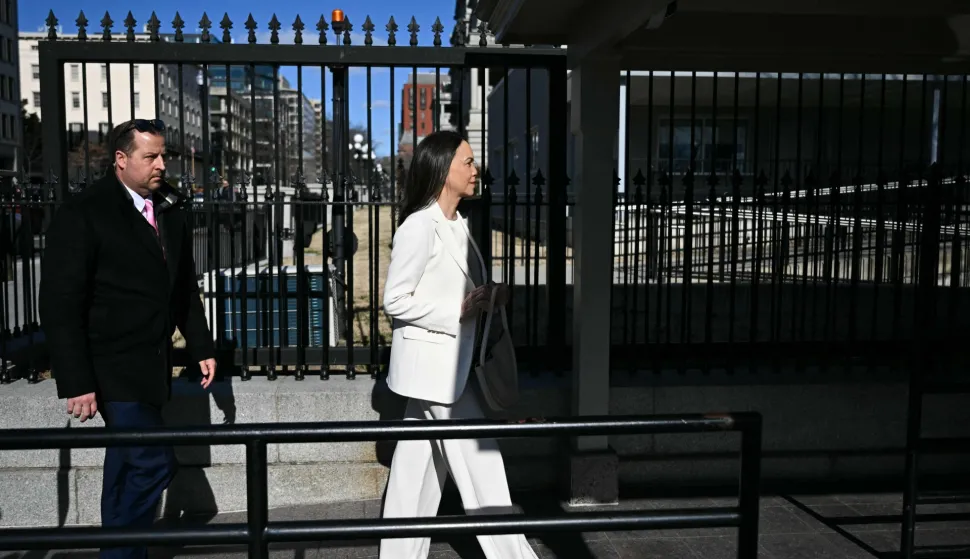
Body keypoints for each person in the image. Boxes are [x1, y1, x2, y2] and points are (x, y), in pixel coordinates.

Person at [38, 118, 217, 559]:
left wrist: (202, 348)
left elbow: (182, 289)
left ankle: (117, 550)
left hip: (152, 365)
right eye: (149, 156)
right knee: (154, 462)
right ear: (120, 160)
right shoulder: (85, 213)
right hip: (109, 368)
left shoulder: (169, 209)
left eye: (163, 156)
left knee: (124, 468)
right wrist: (76, 379)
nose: (161, 165)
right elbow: (60, 303)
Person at [379, 130, 537, 559]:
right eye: (467, 162)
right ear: (442, 169)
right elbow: (394, 299)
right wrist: (458, 308)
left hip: (451, 368)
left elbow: (460, 292)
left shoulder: (458, 225)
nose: (476, 169)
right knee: (482, 466)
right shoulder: (419, 225)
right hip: (434, 372)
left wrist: (489, 296)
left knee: (417, 476)